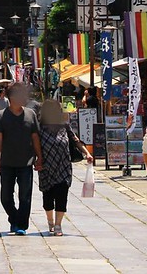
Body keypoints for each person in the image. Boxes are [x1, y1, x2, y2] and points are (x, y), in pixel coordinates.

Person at [0, 82, 43, 236]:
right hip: (7, 162)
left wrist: (39, 156)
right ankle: (14, 218)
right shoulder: (1, 116)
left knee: (25, 196)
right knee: (5, 197)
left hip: (26, 162)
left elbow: (35, 137)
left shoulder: (30, 114)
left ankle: (21, 225)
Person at [38, 100, 92, 236]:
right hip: (46, 168)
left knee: (62, 196)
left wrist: (87, 153)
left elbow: (75, 140)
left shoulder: (64, 126)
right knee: (48, 198)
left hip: (63, 167)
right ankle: (50, 221)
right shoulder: (40, 127)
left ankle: (58, 225)